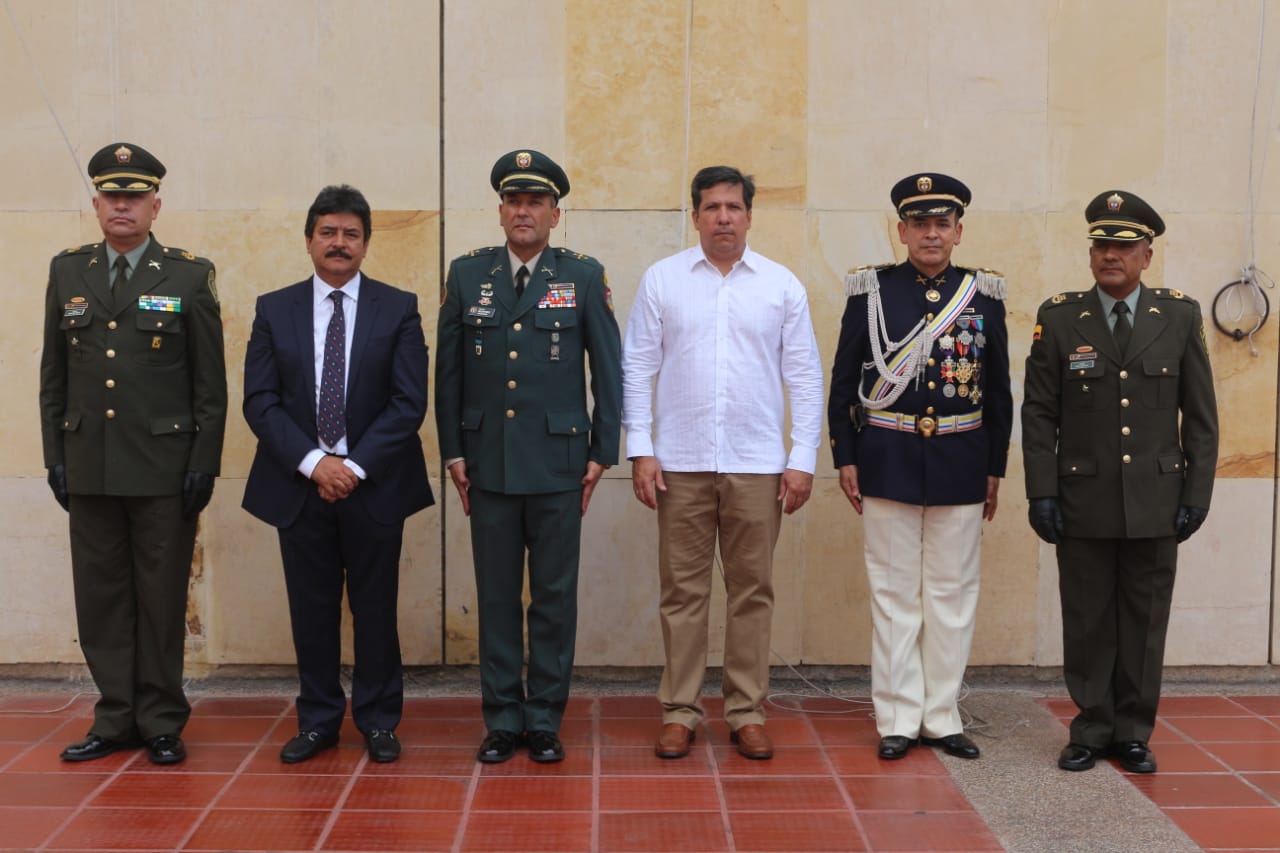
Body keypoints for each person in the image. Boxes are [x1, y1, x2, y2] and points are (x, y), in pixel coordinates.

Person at [623, 165, 824, 761]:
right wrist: (641, 448)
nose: (723, 218)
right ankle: (680, 711)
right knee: (682, 593)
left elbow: (805, 376)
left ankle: (746, 710)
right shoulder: (663, 281)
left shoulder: (780, 285)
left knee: (751, 592)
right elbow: (637, 366)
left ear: (749, 216)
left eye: (734, 207)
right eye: (711, 207)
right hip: (679, 463)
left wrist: (802, 457)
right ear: (695, 216)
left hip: (758, 464)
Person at [39, 142, 227, 765]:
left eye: (135, 196)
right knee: (101, 599)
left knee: (160, 597)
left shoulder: (187, 275)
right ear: (96, 204)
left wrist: (204, 462)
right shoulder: (68, 271)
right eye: (112, 196)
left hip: (163, 470)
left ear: (155, 205)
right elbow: (53, 375)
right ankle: (115, 715)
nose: (123, 205)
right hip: (88, 462)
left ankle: (161, 718)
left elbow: (209, 385)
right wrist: (53, 454)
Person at [435, 150, 621, 764]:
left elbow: (609, 372)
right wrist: (454, 452)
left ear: (555, 214)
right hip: (487, 463)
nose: (524, 211)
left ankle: (543, 718)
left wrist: (602, 453)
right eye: (514, 201)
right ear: (500, 211)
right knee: (494, 597)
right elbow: (450, 373)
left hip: (560, 465)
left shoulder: (584, 276)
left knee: (553, 597)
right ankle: (501, 719)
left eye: (535, 202)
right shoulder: (467, 276)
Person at [1022, 190, 1218, 774]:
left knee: (1144, 617)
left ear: (1146, 255)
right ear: (1090, 255)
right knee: (1085, 617)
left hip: (1157, 500)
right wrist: (1042, 491)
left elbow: (1201, 417)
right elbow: (1039, 413)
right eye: (1102, 245)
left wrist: (1196, 495)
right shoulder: (1059, 318)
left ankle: (1133, 731)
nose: (1112, 255)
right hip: (1083, 497)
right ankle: (1090, 727)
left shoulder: (1179, 315)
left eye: (1125, 246)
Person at [242, 184, 433, 765]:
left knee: (376, 609)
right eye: (328, 232)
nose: (339, 243)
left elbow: (408, 402)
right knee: (312, 609)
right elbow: (259, 401)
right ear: (308, 241)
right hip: (299, 487)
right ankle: (319, 719)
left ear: (367, 245)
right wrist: (314, 464)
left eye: (352, 234)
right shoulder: (274, 309)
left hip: (372, 486)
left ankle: (378, 720)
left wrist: (349, 467)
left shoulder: (397, 307)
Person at [828, 172, 1011, 761]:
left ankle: (942, 715)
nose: (930, 233)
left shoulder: (983, 295)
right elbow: (844, 380)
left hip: (961, 458)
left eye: (942, 223)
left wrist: (995, 467)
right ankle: (898, 718)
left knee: (952, 595)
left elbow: (1000, 390)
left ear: (958, 231)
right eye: (919, 223)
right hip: (887, 455)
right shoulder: (870, 291)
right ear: (901, 230)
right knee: (892, 591)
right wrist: (845, 455)